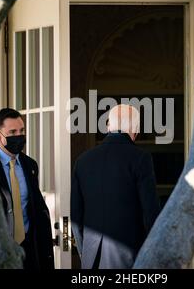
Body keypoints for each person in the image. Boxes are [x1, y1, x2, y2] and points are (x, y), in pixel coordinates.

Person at [71, 104, 161, 269]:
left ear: (108, 126)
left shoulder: (83, 160)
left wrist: (86, 252)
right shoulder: (141, 158)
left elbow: (76, 217)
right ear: (136, 129)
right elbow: (151, 212)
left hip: (91, 258)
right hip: (129, 255)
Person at [0, 108, 54, 269]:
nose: (19, 136)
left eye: (22, 130)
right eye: (12, 131)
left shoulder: (30, 165)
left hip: (29, 251)